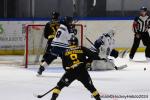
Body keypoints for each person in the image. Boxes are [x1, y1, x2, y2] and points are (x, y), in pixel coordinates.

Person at [50, 36, 101, 100]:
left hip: (70, 73)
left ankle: (53, 98)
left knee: (59, 86)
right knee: (91, 87)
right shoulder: (82, 48)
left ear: (70, 43)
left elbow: (64, 66)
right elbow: (93, 56)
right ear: (77, 42)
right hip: (82, 72)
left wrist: (68, 70)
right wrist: (95, 55)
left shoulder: (65, 51)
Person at [37, 11, 60, 75]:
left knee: (46, 55)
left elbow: (45, 35)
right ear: (58, 16)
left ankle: (40, 69)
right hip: (59, 42)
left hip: (51, 41)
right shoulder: (61, 24)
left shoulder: (48, 23)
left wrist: (50, 37)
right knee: (64, 56)